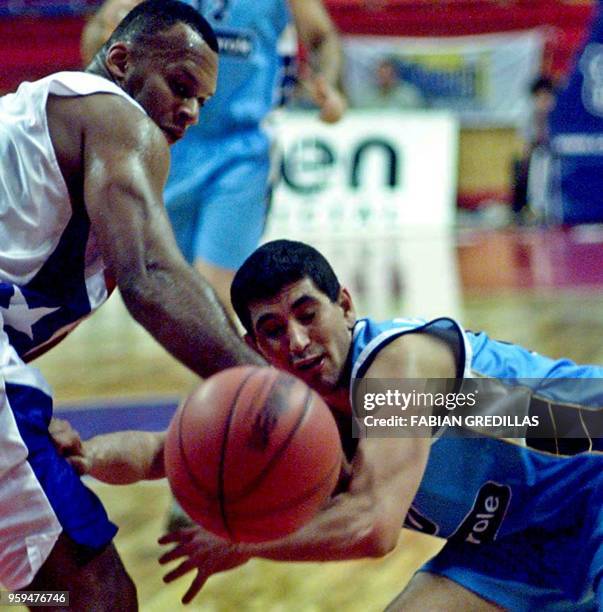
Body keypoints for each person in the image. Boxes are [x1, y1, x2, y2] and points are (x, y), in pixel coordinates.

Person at [53, 239, 602, 609]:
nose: (296, 342)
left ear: (344, 305)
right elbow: (161, 452)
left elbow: (372, 524)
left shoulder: (400, 364)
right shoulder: (290, 405)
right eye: (272, 329)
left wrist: (245, 545)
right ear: (254, 346)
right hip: (514, 540)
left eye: (307, 314)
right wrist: (82, 458)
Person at [0, 1, 266, 608]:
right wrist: (266, 390)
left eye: (202, 100)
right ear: (120, 61)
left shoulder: (48, 147)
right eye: (180, 86)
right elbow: (152, 278)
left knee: (43, 593)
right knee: (97, 595)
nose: (192, 112)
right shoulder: (117, 117)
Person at [81, 0, 347, 320]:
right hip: (165, 143)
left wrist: (327, 84)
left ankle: (238, 370)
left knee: (218, 296)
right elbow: (97, 37)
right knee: (174, 296)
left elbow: (322, 37)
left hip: (243, 150)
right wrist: (107, 33)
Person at [511, 75, 557, 223]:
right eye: (540, 97)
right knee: (531, 170)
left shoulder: (558, 112)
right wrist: (526, 160)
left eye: (546, 96)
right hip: (540, 153)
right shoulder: (531, 115)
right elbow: (529, 142)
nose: (544, 101)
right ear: (535, 98)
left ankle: (551, 208)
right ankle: (534, 209)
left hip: (557, 155)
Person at [356, 58, 424, 110]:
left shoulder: (408, 96)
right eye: (382, 76)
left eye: (388, 75)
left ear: (395, 75)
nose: (385, 79)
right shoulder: (366, 96)